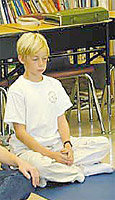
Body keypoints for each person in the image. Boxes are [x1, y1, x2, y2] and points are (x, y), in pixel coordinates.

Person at [4, 32, 113, 187]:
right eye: (35, 59)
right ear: (22, 59)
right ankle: (82, 170)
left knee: (103, 144)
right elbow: (20, 133)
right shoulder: (17, 90)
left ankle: (61, 172)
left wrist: (67, 145)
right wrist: (51, 155)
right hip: (29, 150)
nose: (41, 64)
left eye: (44, 59)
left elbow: (61, 119)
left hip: (56, 144)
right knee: (42, 166)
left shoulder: (53, 84)